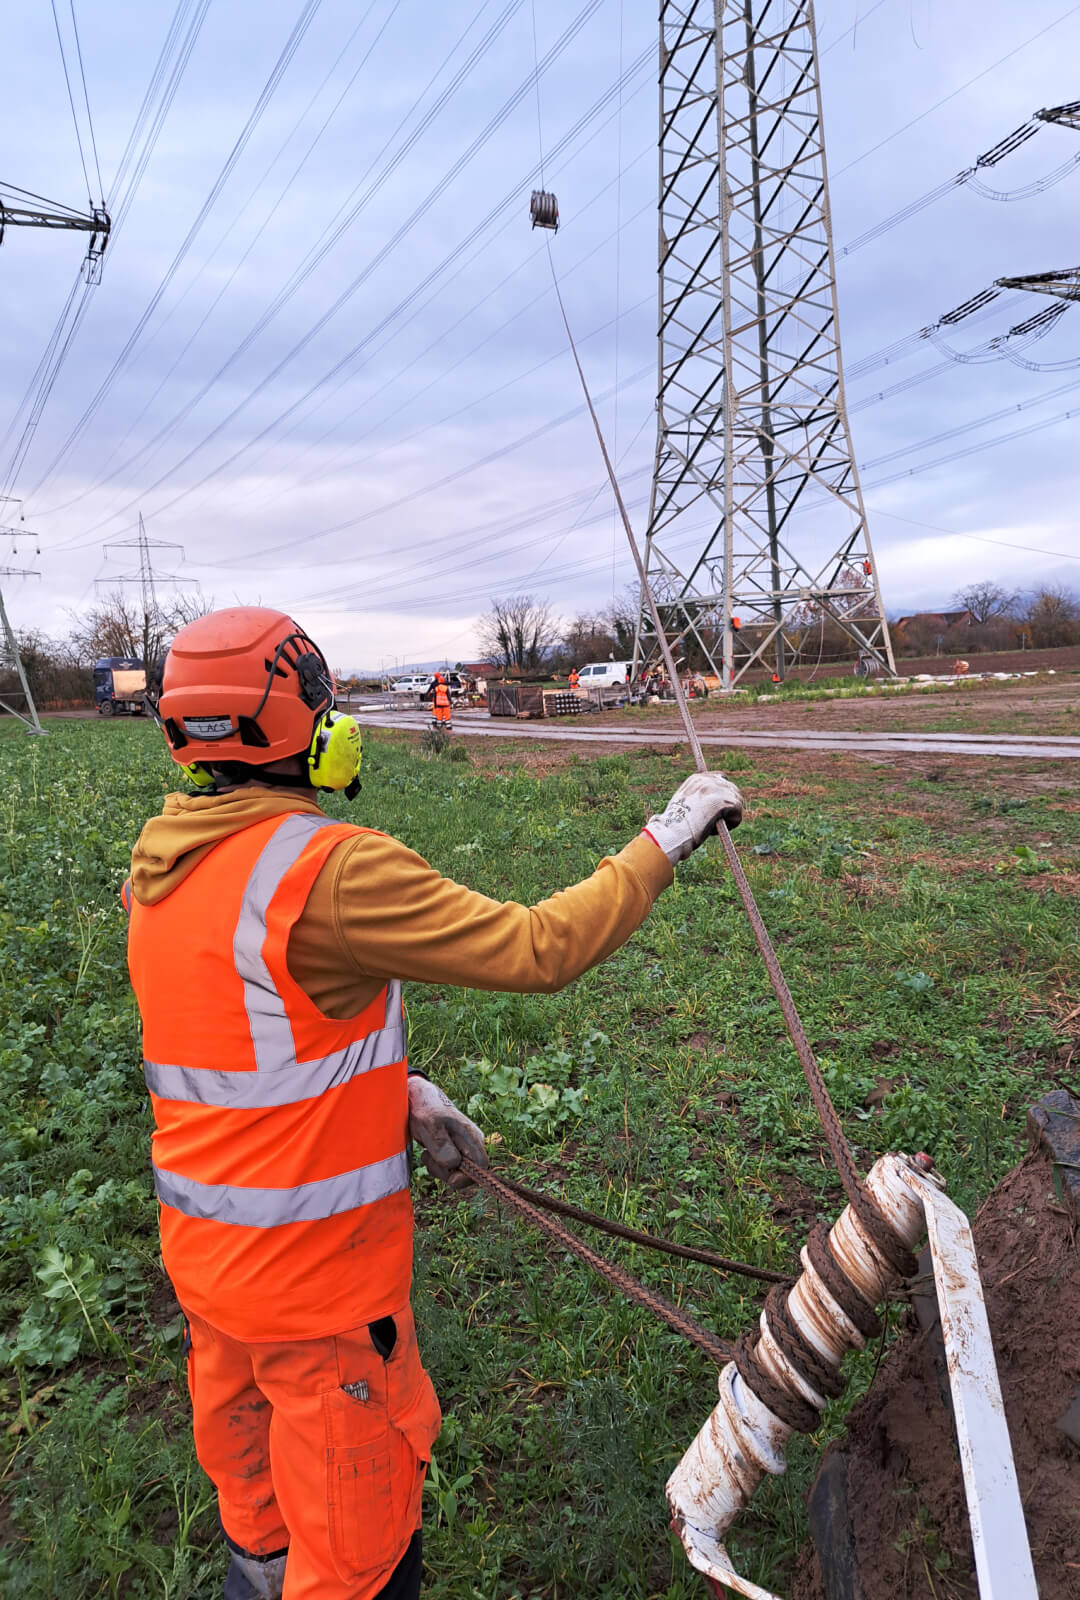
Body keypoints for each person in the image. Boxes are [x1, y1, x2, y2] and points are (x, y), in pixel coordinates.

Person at [124, 607, 744, 1600]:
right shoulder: (328, 870)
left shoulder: (162, 869)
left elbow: (241, 1048)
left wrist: (392, 1091)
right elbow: (540, 947)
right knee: (355, 1570)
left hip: (216, 1290)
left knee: (264, 1539)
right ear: (311, 728)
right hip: (322, 1305)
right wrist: (665, 840)